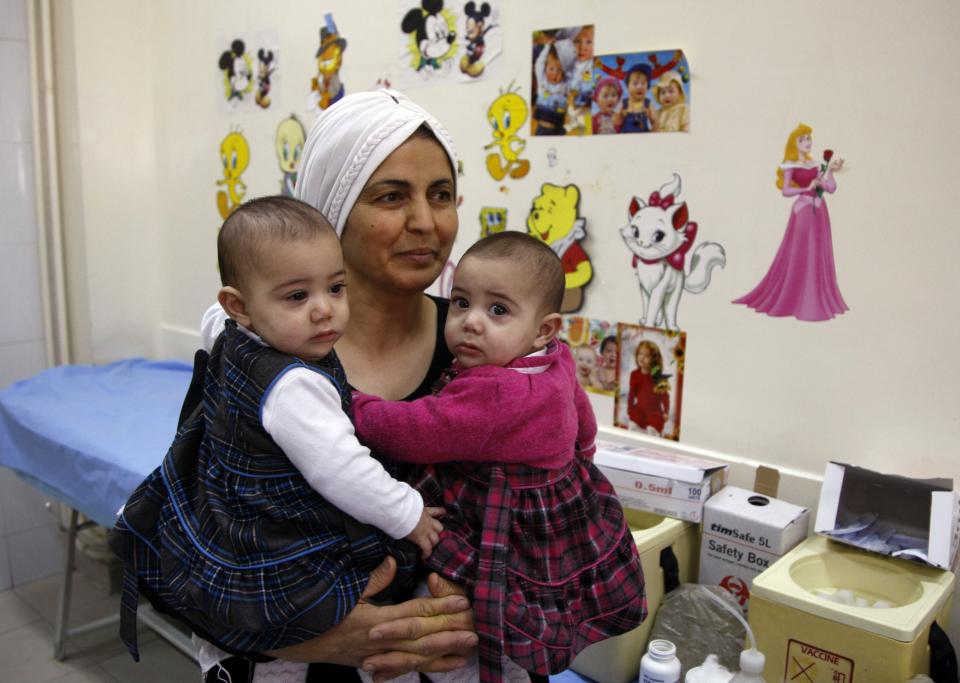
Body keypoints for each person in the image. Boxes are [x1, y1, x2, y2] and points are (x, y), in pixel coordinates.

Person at [110, 196, 451, 680]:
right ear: (241, 306)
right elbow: (342, 467)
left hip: (233, 532)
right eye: (297, 296)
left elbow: (214, 317)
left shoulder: (229, 332)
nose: (324, 311)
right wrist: (407, 512)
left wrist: (265, 298)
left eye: (336, 288)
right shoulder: (295, 384)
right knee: (300, 649)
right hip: (283, 554)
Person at [197, 89, 475, 683]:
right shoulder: (249, 358)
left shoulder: (482, 345)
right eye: (391, 195)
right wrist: (315, 637)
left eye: (442, 195)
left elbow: (546, 510)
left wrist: (479, 607)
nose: (426, 222)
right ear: (332, 207)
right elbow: (193, 540)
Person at [351, 232, 648, 683]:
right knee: (532, 601)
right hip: (557, 508)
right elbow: (582, 420)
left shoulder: (494, 391)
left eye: (498, 310)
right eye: (461, 302)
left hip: (500, 517)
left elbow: (418, 432)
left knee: (476, 605)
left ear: (543, 328)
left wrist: (354, 404)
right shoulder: (555, 359)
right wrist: (576, 466)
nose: (471, 322)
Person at [732, 123, 848, 321]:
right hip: (803, 211)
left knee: (818, 253)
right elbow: (785, 191)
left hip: (820, 212)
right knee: (801, 254)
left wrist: (831, 172)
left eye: (808, 139)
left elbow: (830, 188)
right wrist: (807, 188)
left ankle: (815, 299)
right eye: (802, 139)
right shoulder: (790, 164)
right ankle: (796, 300)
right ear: (794, 143)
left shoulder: (816, 164)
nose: (807, 143)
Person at [532, 39, 575, 135]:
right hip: (542, 130)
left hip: (559, 130)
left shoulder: (564, 84)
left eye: (559, 70)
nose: (555, 74)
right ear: (545, 68)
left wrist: (567, 63)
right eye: (551, 69)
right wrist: (547, 47)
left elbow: (572, 74)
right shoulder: (542, 80)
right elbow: (539, 63)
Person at [626, 340, 670, 435]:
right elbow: (632, 394)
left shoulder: (658, 377)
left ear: (654, 360)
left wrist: (666, 411)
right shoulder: (634, 374)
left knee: (652, 430)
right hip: (640, 409)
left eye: (647, 356)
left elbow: (665, 396)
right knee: (632, 426)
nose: (642, 358)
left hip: (655, 412)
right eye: (640, 353)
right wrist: (630, 409)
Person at [620, 63, 655, 133]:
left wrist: (653, 131)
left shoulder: (648, 103)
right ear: (628, 87)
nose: (640, 87)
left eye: (643, 83)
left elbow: (655, 122)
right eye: (635, 83)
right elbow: (616, 122)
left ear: (647, 86)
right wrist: (620, 115)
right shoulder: (624, 103)